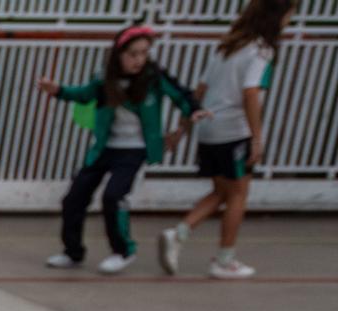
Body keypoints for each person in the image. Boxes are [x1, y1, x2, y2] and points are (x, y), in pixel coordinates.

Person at [38, 27, 201, 274]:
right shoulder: (104, 80)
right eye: (133, 54)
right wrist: (58, 90)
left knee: (113, 197)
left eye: (144, 53)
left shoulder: (153, 77)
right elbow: (83, 95)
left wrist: (194, 109)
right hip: (105, 149)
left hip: (134, 152)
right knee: (74, 199)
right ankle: (72, 252)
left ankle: (124, 251)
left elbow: (180, 95)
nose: (139, 60)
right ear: (119, 54)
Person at [160, 0, 295, 279]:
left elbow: (199, 91)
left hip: (209, 128)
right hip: (234, 131)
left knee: (222, 192)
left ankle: (178, 233)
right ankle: (224, 260)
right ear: (277, 16)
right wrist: (257, 138)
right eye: (289, 16)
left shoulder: (227, 47)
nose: (289, 22)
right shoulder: (261, 50)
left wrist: (182, 129)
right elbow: (250, 93)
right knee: (238, 195)